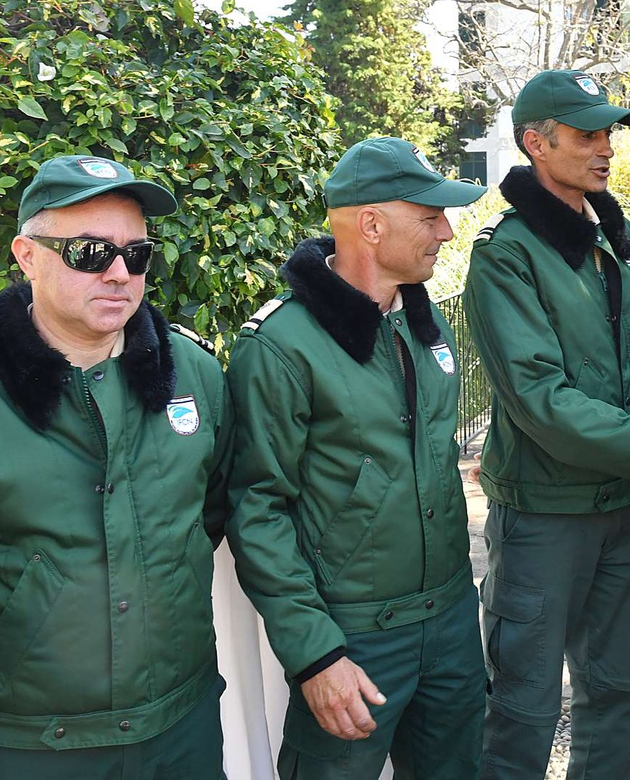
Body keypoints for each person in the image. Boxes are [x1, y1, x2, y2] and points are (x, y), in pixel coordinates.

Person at [0, 155, 232, 779]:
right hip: (30, 747)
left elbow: (214, 511)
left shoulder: (195, 376)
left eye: (137, 254)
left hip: (182, 728)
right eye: (90, 253)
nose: (119, 273)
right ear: (27, 255)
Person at [463, 69, 630, 780]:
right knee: (523, 710)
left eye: (609, 132)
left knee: (618, 699)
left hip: (623, 510)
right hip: (546, 515)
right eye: (587, 133)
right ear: (536, 143)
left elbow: (625, 375)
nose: (606, 147)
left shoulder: (610, 233)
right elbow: (544, 403)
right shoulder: (506, 252)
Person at [225, 137, 488, 779]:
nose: (447, 232)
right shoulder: (281, 347)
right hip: (355, 640)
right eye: (429, 217)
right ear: (370, 224)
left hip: (450, 621)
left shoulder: (424, 325)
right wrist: (315, 656)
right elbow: (256, 511)